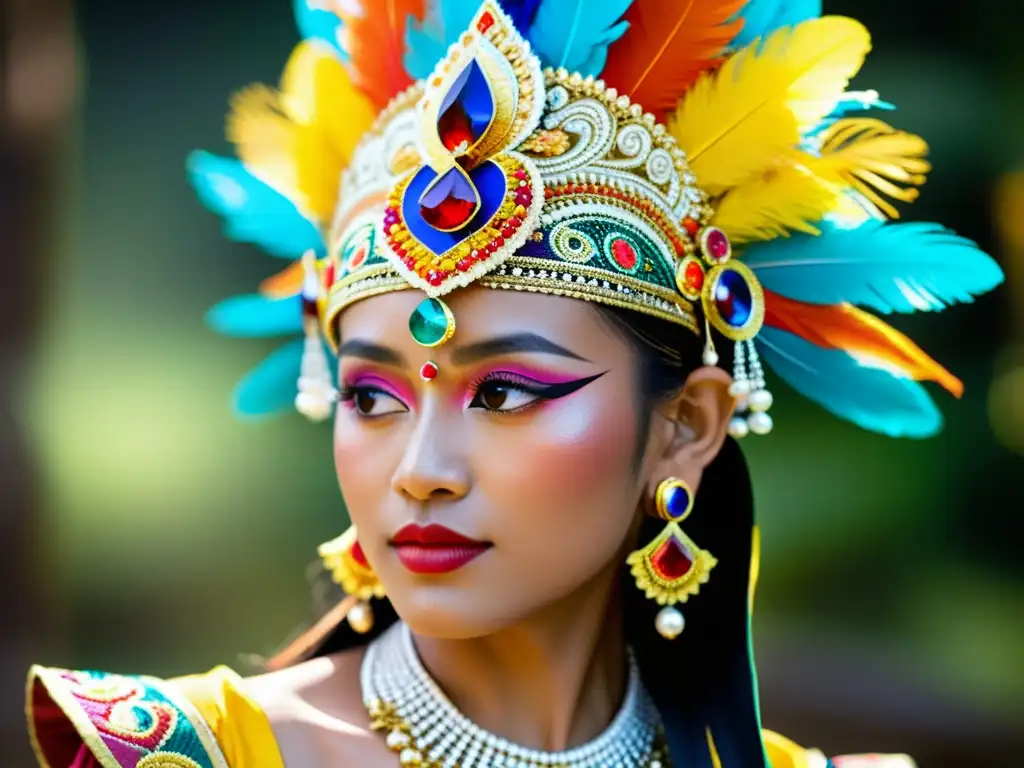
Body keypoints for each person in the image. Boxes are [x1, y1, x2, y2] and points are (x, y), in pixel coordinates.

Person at [25, 2, 1003, 766]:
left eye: (503, 393)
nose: (421, 472)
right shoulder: (182, 753)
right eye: (373, 397)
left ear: (686, 426)